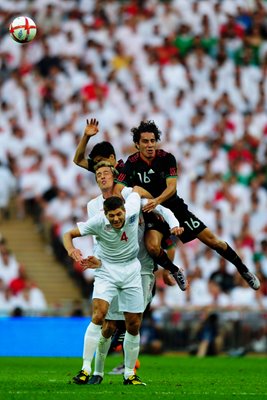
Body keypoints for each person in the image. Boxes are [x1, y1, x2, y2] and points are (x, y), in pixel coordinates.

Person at [115, 120, 260, 291]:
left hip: (175, 209)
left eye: (152, 141)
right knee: (152, 247)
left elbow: (172, 187)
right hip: (151, 213)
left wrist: (157, 200)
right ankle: (174, 270)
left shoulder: (166, 158)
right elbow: (118, 188)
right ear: (137, 144)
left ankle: (243, 270)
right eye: (145, 141)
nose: (149, 145)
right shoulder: (131, 163)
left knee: (214, 242)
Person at [82, 161, 183, 384]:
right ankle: (97, 372)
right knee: (107, 324)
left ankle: (130, 372)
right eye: (98, 174)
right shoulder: (93, 205)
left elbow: (159, 206)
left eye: (106, 173)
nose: (102, 177)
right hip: (109, 268)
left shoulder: (131, 196)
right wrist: (95, 258)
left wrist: (174, 223)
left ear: (115, 176)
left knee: (133, 323)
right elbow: (94, 235)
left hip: (137, 269)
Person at [73, 118, 187, 290]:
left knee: (158, 245)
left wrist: (149, 204)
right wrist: (86, 137)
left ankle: (169, 270)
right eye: (96, 166)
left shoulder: (123, 169)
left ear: (111, 159)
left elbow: (139, 191)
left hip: (143, 207)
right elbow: (78, 160)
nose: (97, 169)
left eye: (99, 162)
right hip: (127, 214)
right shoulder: (104, 169)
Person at [63, 193, 146, 386]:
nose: (116, 219)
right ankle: (85, 369)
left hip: (131, 270)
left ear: (125, 210)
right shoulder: (98, 222)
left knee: (133, 324)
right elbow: (68, 234)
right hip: (105, 270)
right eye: (112, 215)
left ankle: (129, 374)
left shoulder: (133, 208)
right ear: (105, 214)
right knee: (99, 315)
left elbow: (136, 192)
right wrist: (71, 250)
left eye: (119, 214)